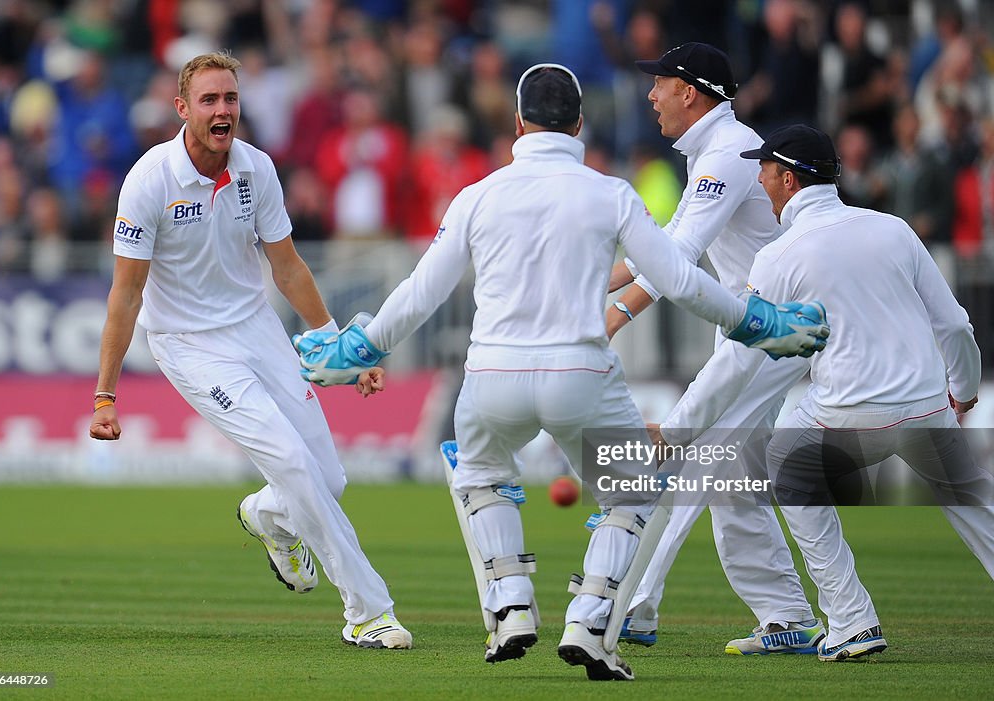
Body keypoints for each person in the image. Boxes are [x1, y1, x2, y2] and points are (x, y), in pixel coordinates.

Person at [293, 63, 830, 681]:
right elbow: (681, 280)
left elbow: (420, 292)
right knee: (633, 491)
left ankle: (511, 607)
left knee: (480, 477)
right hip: (582, 374)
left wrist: (357, 350)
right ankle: (591, 621)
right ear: (579, 123)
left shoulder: (477, 195)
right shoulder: (611, 193)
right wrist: (759, 323)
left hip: (490, 377)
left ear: (517, 123)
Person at [87, 52, 412, 650]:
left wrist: (346, 348)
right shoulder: (149, 179)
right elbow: (126, 293)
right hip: (189, 346)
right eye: (209, 101)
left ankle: (265, 517)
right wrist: (105, 394)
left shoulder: (256, 169)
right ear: (182, 109)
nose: (222, 111)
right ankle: (368, 610)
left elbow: (287, 269)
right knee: (291, 461)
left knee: (327, 478)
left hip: (256, 329)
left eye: (230, 100)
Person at [663, 123, 994, 661]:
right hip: (927, 405)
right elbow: (955, 326)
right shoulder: (893, 229)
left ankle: (851, 620)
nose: (761, 180)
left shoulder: (778, 256)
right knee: (976, 503)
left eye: (765, 170)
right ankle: (848, 619)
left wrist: (679, 426)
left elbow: (736, 360)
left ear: (788, 179)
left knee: (788, 465)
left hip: (847, 415)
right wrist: (964, 389)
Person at [606, 42, 823, 655]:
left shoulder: (728, 153)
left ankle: (633, 606)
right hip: (753, 326)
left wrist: (610, 303)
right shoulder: (717, 150)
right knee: (733, 483)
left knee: (694, 457)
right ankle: (784, 617)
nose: (651, 95)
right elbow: (676, 245)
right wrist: (611, 299)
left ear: (691, 92)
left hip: (769, 329)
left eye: (661, 84)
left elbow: (675, 256)